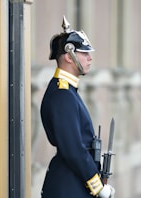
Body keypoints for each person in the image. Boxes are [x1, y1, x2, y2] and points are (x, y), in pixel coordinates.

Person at [40, 16, 115, 198]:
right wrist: (97, 185)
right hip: (68, 186)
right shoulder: (62, 94)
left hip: (74, 183)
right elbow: (72, 148)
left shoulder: (68, 91)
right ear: (69, 56)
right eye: (84, 53)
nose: (90, 58)